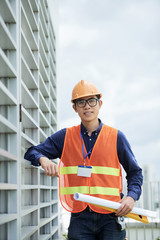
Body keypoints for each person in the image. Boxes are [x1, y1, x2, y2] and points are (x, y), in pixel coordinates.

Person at [24, 80, 143, 240]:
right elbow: (32, 151)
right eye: (81, 102)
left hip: (111, 215)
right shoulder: (65, 137)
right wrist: (43, 159)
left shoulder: (116, 137)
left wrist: (131, 196)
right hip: (80, 218)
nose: (87, 106)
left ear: (99, 104)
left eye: (92, 101)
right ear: (75, 108)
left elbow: (135, 172)